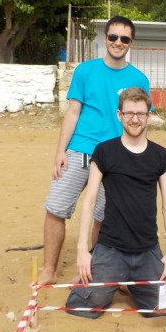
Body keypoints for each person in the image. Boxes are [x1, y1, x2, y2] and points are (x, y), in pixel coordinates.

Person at [39, 15, 149, 286]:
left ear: (131, 42)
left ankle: (91, 270)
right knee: (56, 209)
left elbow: (140, 121)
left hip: (116, 156)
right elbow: (73, 112)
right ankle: (49, 269)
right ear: (105, 38)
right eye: (113, 37)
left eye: (124, 38)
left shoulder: (139, 79)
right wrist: (60, 151)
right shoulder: (85, 71)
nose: (118, 42)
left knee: (103, 218)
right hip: (79, 150)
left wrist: (138, 159)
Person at [65, 87, 166, 318]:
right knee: (86, 306)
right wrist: (82, 251)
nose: (134, 119)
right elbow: (90, 200)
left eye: (140, 113)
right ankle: (102, 274)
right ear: (119, 115)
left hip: (147, 249)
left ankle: (131, 282)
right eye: (129, 113)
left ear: (148, 116)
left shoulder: (161, 156)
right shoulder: (104, 151)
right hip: (111, 248)